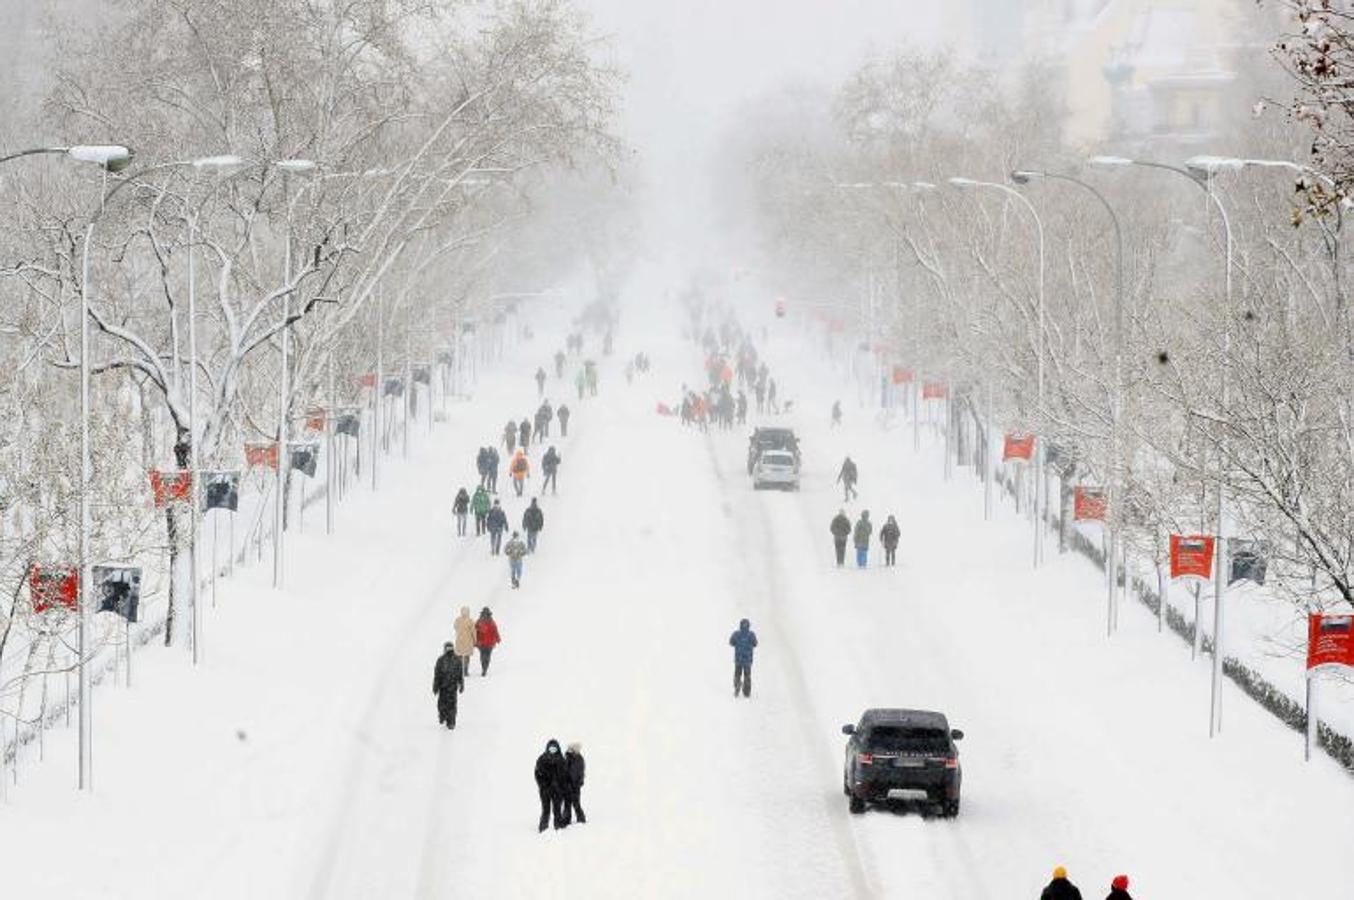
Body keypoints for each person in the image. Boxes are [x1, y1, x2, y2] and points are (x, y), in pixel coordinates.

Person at [534, 739, 568, 831]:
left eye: (554, 748)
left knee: (557, 810)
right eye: (551, 748)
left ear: (558, 748)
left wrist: (562, 787)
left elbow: (565, 776)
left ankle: (559, 827)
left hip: (558, 791)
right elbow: (537, 774)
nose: (553, 750)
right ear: (547, 748)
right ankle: (543, 828)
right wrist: (543, 785)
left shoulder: (562, 760)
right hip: (545, 791)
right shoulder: (542, 759)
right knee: (546, 810)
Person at [432, 641, 464, 729]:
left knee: (443, 704)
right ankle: (449, 720)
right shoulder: (457, 660)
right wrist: (461, 684)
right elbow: (460, 674)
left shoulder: (441, 660)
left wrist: (435, 686)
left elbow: (437, 675)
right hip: (451, 687)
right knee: (451, 705)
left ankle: (448, 719)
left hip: (444, 687)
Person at [729, 618, 758, 698]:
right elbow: (755, 643)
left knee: (737, 674)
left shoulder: (736, 634)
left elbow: (731, 642)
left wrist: (736, 644)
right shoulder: (751, 634)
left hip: (738, 658)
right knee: (747, 675)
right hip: (747, 659)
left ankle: (737, 684)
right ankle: (746, 692)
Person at [562, 742, 586, 825]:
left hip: (576, 786)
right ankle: (566, 820)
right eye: (573, 749)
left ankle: (581, 819)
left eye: (577, 749)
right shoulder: (567, 757)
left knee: (576, 803)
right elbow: (564, 771)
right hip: (567, 785)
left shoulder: (580, 759)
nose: (575, 751)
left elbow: (582, 772)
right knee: (567, 803)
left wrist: (580, 782)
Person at [475, 607, 500, 676]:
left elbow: (475, 631)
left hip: (483, 642)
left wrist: (475, 640)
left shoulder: (479, 621)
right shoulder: (491, 621)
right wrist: (498, 639)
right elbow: (495, 631)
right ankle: (484, 668)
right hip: (488, 643)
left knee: (483, 656)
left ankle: (484, 668)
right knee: (487, 656)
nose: (485, 615)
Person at [453, 606, 476, 677]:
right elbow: (473, 632)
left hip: (459, 640)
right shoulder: (470, 621)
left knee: (459, 656)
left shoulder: (457, 620)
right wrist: (475, 640)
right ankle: (465, 671)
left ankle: (459, 670)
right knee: (466, 657)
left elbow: (455, 627)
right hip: (468, 641)